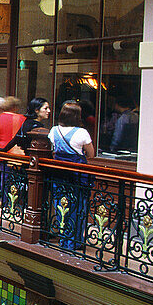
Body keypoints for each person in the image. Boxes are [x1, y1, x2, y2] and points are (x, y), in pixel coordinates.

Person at [48, 100, 95, 249]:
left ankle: (63, 237)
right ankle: (74, 240)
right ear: (77, 116)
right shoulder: (82, 132)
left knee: (61, 204)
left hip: (59, 173)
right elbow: (91, 154)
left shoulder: (54, 130)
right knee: (78, 205)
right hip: (77, 174)